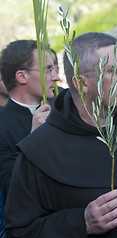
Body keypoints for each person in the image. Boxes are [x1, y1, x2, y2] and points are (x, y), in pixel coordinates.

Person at [5, 32, 117, 238]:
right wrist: (81, 223)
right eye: (115, 70)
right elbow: (22, 231)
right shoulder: (39, 150)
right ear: (81, 82)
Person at [0, 39, 59, 201]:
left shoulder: (65, 107)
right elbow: (11, 187)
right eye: (48, 69)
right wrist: (32, 140)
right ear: (22, 76)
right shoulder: (2, 125)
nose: (56, 76)